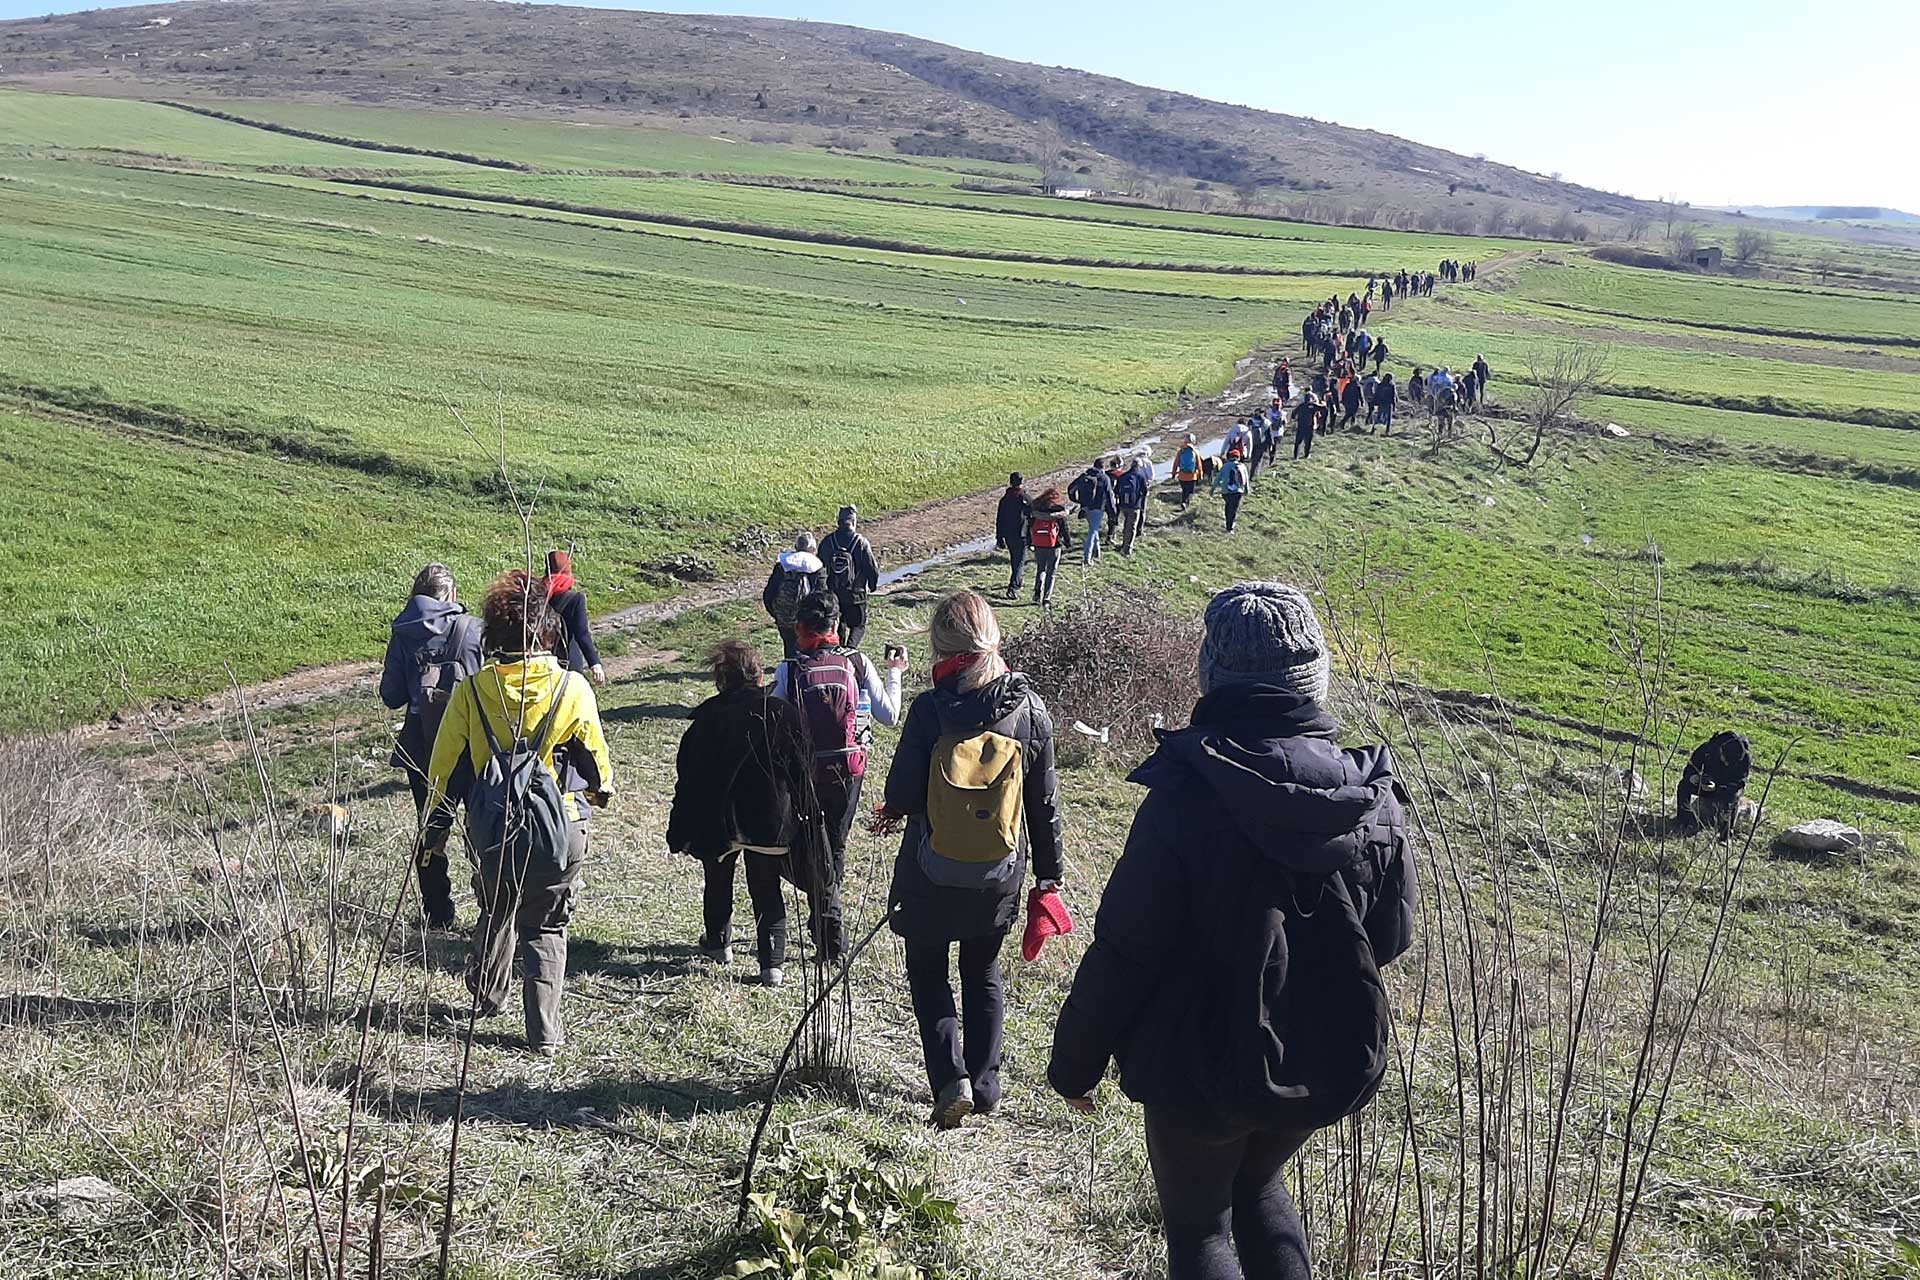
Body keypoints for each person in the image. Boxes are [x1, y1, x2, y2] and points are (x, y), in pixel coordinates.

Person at [1047, 582, 1417, 1280]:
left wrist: (1074, 1065)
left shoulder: (1185, 797)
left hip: (1197, 1071)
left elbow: (1127, 952)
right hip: (1320, 1060)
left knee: (1199, 1228)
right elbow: (1390, 940)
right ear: (1314, 679)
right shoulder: (1374, 799)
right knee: (1259, 1187)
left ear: (1214, 677)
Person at [880, 590, 1064, 1127]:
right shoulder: (1029, 712)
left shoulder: (928, 710)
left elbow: (904, 794)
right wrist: (1049, 876)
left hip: (929, 868)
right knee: (982, 970)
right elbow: (1044, 803)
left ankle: (949, 1080)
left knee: (927, 970)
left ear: (939, 644)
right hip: (1000, 874)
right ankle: (986, 1085)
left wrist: (897, 807)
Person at [424, 570, 614, 1054]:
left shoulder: (471, 691)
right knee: (547, 922)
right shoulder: (572, 687)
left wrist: (436, 830)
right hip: (561, 825)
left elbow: (444, 770)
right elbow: (598, 771)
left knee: (496, 905)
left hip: (493, 824)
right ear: (548, 633)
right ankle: (545, 1034)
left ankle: (487, 998)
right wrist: (597, 797)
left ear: (493, 636)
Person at [669, 640, 813, 987]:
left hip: (718, 818)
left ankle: (718, 944)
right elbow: (802, 770)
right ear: (759, 675)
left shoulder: (704, 719)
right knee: (766, 887)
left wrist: (683, 823)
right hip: (770, 817)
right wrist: (806, 815)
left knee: (717, 881)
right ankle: (772, 964)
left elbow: (687, 775)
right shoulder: (783, 714)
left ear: (720, 678)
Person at [774, 592, 904, 963]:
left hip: (807, 771)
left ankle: (829, 936)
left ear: (801, 627)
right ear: (836, 626)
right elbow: (889, 716)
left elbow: (776, 719)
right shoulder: (857, 662)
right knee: (835, 846)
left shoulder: (790, 668)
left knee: (815, 847)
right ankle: (830, 933)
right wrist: (894, 672)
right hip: (850, 771)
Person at [380, 562, 486, 930]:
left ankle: (437, 913)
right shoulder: (474, 630)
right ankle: (491, 909)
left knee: (431, 829)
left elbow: (390, 696)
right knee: (482, 828)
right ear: (452, 595)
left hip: (422, 745)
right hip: (473, 744)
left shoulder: (402, 632)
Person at [818, 507, 880, 651]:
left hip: (834, 593)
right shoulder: (861, 542)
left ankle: (838, 650)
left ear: (838, 521)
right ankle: (850, 650)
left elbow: (819, 568)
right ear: (853, 521)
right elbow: (872, 568)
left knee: (838, 624)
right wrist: (873, 584)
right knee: (858, 626)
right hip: (855, 594)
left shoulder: (828, 542)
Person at [544, 551, 606, 687]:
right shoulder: (575, 599)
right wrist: (594, 663)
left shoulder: (537, 597)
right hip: (569, 662)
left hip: (543, 663)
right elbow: (582, 634)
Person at [763, 534, 826, 660]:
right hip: (807, 619)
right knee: (807, 650)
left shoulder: (782, 565)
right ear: (813, 550)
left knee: (789, 646)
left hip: (784, 617)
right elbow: (822, 596)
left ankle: (789, 669)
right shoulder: (817, 567)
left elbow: (768, 594)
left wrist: (776, 613)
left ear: (796, 547)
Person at [1026, 488, 1072, 607]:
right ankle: (1046, 598)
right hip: (1054, 544)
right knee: (1051, 572)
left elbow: (1029, 526)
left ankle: (1037, 593)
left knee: (1041, 569)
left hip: (1038, 543)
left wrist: (1029, 541)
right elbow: (1064, 528)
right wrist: (1068, 542)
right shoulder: (1058, 510)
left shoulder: (1036, 508)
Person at [1068, 459, 1116, 567]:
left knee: (1093, 529)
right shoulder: (1104, 478)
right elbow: (1109, 496)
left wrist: (1076, 501)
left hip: (1085, 507)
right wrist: (1113, 513)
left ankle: (1097, 553)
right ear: (1103, 467)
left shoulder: (1084, 476)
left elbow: (1071, 489)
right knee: (1092, 531)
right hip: (1098, 508)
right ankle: (1087, 558)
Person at [994, 473, 1032, 600]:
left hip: (1008, 535)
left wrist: (999, 538)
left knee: (1015, 560)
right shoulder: (1025, 498)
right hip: (1021, 534)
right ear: (1022, 482)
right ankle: (1013, 587)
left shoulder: (1004, 500)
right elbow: (1033, 516)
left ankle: (1018, 581)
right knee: (1020, 561)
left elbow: (999, 520)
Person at [1116, 452, 1151, 555]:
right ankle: (1127, 549)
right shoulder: (1140, 477)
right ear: (1139, 466)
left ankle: (1123, 544)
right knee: (1131, 527)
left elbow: (1116, 490)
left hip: (1123, 505)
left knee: (1126, 524)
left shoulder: (1123, 476)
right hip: (1134, 506)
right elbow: (1145, 492)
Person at [1217, 449, 1250, 534]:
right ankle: (1230, 527)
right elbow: (1246, 479)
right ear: (1238, 457)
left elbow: (1218, 478)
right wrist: (1246, 490)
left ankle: (1228, 523)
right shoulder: (1242, 466)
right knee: (1234, 509)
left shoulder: (1225, 466)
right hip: (1238, 492)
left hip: (1226, 492)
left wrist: (1212, 489)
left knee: (1228, 506)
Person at [1174, 434, 1202, 507]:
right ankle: (1186, 504)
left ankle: (1184, 502)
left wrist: (1173, 473)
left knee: (1184, 490)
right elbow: (1199, 465)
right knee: (1190, 492)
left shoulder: (1181, 451)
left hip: (1182, 475)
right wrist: (1200, 475)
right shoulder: (1195, 452)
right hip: (1192, 476)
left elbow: (1176, 463)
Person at [1291, 393, 1320, 460]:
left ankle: (1296, 456)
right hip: (1310, 426)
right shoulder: (1313, 405)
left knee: (1298, 442)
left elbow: (1293, 414)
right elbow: (1322, 408)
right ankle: (1306, 455)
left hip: (1301, 425)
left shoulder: (1301, 406)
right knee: (1308, 441)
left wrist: (1294, 418)